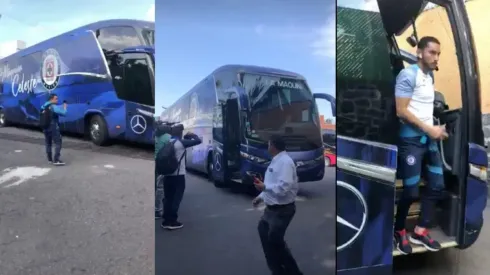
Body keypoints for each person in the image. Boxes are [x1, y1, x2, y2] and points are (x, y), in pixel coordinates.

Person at [393, 36, 448, 254]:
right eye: (432, 52)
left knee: (437, 185)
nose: (436, 58)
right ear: (419, 53)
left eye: (438, 54)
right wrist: (429, 129)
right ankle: (399, 231)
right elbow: (401, 111)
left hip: (429, 139)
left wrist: (436, 127)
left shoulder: (430, 76)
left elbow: (423, 106)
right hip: (411, 141)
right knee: (411, 191)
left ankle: (420, 230)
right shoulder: (407, 75)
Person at [252, 135, 303, 275]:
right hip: (271, 209)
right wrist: (260, 196)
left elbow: (283, 188)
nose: (268, 147)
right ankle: (276, 269)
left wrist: (264, 187)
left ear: (273, 146)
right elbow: (270, 184)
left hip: (282, 210)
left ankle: (292, 272)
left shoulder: (285, 162)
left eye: (269, 144)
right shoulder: (276, 161)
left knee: (275, 241)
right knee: (264, 232)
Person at [161, 124, 202, 230]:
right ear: (180, 133)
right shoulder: (181, 143)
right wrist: (193, 135)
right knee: (176, 198)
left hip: (167, 175)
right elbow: (198, 141)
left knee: (168, 198)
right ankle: (172, 221)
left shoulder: (168, 142)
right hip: (178, 176)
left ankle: (166, 220)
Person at [41, 94, 67, 165]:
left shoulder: (43, 106)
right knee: (58, 142)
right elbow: (64, 113)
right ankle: (56, 160)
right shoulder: (53, 107)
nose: (57, 100)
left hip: (45, 127)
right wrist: (64, 107)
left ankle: (49, 159)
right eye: (56, 99)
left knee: (48, 143)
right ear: (51, 99)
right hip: (53, 127)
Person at [155, 123, 172, 219]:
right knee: (162, 187)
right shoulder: (168, 137)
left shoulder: (156, 136)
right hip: (163, 163)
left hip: (156, 162)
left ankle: (157, 209)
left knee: (157, 186)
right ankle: (157, 210)